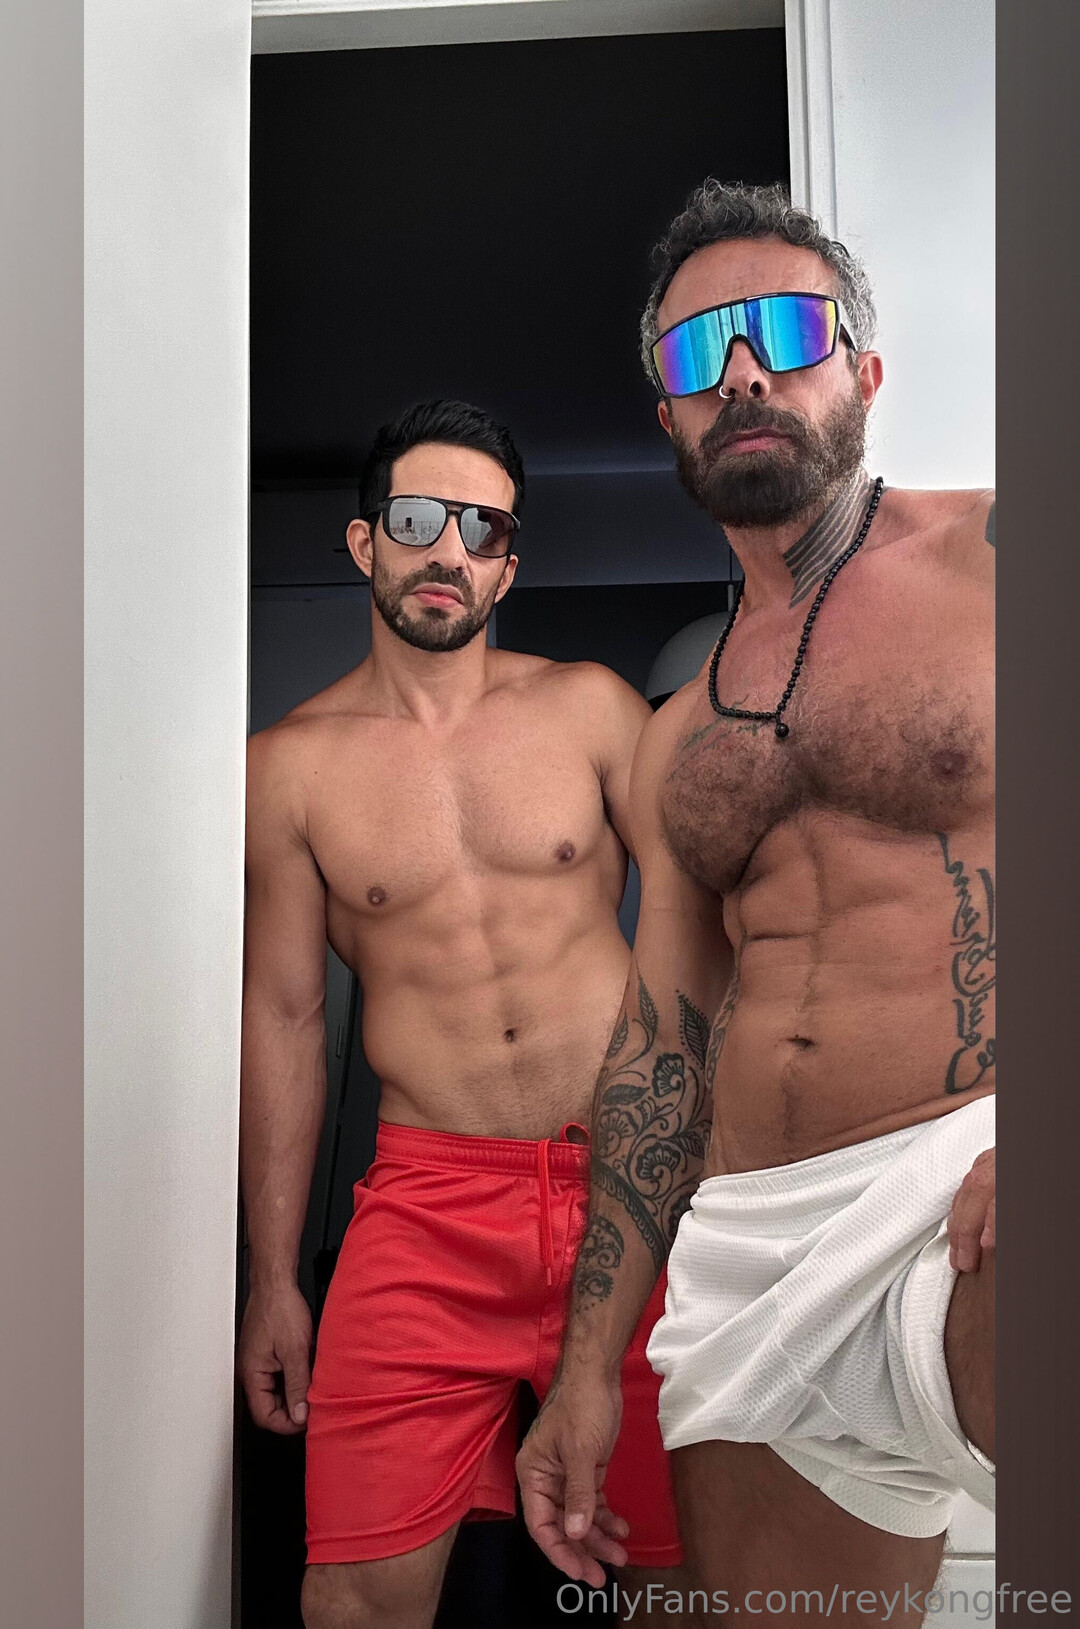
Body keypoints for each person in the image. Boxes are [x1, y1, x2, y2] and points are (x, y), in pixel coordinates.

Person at [517, 182, 994, 1625]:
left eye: (785, 330)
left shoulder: (1001, 555)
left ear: (864, 368)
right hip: (755, 1259)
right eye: (694, 351)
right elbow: (659, 1049)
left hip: (975, 1175)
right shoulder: (677, 736)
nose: (740, 372)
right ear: (668, 413)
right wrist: (587, 1370)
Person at [237, 399, 701, 1628]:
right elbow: (284, 1020)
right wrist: (273, 1277)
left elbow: (707, 938)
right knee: (352, 1598)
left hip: (631, 1189)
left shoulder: (594, 710)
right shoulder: (287, 768)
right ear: (363, 543)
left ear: (509, 565)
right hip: (427, 1208)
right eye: (416, 520)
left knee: (677, 1583)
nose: (449, 549)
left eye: (482, 528)